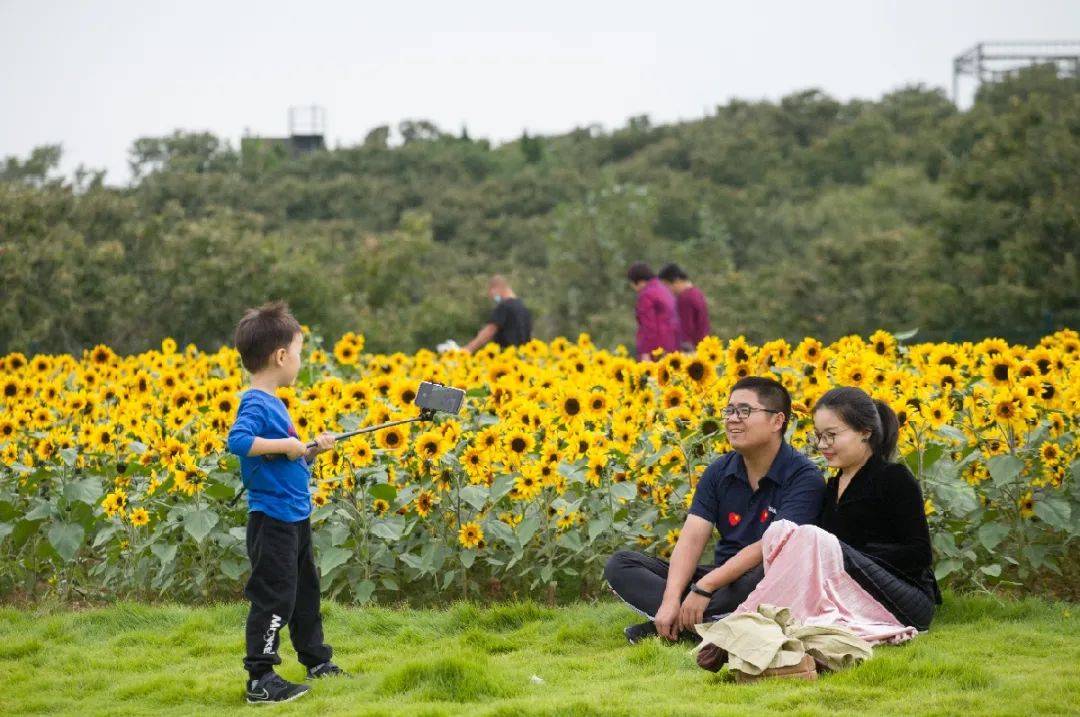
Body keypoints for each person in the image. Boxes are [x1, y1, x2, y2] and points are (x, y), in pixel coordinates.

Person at [604, 376, 826, 643]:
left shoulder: (804, 477)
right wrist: (672, 599)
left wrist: (705, 587)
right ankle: (700, 624)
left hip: (763, 578)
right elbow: (691, 539)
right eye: (729, 410)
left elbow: (768, 547)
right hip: (721, 581)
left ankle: (687, 627)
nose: (732, 419)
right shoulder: (719, 472)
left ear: (777, 421)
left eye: (744, 411)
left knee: (766, 574)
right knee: (621, 564)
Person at [227, 301, 347, 704]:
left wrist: (311, 449)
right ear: (280, 356)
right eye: (298, 354)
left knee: (305, 595)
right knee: (275, 598)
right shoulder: (256, 402)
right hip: (272, 520)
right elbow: (239, 442)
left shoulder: (274, 402)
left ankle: (315, 659)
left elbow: (283, 456)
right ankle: (260, 679)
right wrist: (289, 444)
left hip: (295, 517)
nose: (299, 362)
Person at [808, 386, 940, 630]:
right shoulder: (832, 486)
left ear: (865, 432)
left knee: (825, 546)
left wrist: (854, 556)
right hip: (850, 592)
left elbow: (920, 553)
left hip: (907, 597)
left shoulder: (894, 478)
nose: (822, 445)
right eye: (818, 436)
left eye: (831, 435)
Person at [463, 275, 532, 352]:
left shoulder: (504, 306)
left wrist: (467, 349)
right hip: (523, 355)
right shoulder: (523, 307)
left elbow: (489, 331)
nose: (491, 296)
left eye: (491, 292)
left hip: (506, 356)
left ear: (496, 288)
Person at [627, 262, 679, 361]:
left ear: (638, 281)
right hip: (672, 345)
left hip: (655, 350)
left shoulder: (646, 295)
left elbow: (648, 327)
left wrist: (645, 352)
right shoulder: (663, 289)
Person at [658, 263, 711, 350]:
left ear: (676, 280)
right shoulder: (696, 293)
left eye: (667, 286)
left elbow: (686, 330)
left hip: (692, 351)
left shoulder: (685, 298)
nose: (667, 291)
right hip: (704, 347)